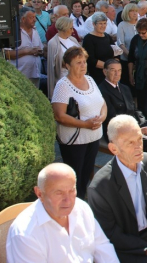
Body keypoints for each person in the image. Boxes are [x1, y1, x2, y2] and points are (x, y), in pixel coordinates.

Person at [88, 115, 147, 263]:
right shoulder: (100, 188)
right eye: (130, 143)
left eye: (140, 139)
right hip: (128, 248)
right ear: (113, 148)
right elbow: (110, 233)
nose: (138, 147)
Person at [7, 163, 119, 263]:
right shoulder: (25, 234)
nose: (68, 200)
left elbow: (103, 247)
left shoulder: (81, 208)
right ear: (39, 193)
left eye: (71, 191)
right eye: (59, 193)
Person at [51, 46, 106, 198]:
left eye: (84, 62)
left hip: (93, 137)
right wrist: (85, 124)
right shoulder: (63, 85)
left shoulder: (90, 79)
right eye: (78, 62)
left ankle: (81, 202)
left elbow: (102, 103)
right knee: (74, 176)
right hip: (74, 140)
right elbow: (59, 115)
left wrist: (101, 117)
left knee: (86, 174)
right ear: (68, 66)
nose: (83, 65)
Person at [99, 59, 147, 158]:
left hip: (133, 125)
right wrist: (138, 130)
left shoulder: (124, 88)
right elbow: (112, 118)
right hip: (118, 131)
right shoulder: (102, 90)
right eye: (113, 70)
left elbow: (135, 110)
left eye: (119, 70)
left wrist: (144, 123)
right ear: (105, 71)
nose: (117, 74)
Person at [6, 7, 44, 88]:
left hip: (35, 74)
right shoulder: (14, 33)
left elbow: (41, 47)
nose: (34, 20)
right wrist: (27, 51)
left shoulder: (35, 31)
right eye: (31, 17)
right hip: (20, 76)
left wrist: (41, 51)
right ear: (23, 19)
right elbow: (7, 54)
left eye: (35, 17)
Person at [47, 17, 80, 99]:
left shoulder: (73, 40)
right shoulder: (53, 43)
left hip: (78, 75)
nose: (72, 31)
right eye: (71, 28)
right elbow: (53, 64)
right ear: (64, 28)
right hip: (64, 77)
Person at [82, 12, 116, 85]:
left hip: (111, 74)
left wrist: (115, 67)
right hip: (97, 75)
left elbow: (116, 52)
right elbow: (90, 60)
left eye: (104, 23)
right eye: (100, 23)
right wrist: (109, 67)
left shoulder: (107, 37)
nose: (103, 26)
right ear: (94, 24)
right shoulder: (88, 39)